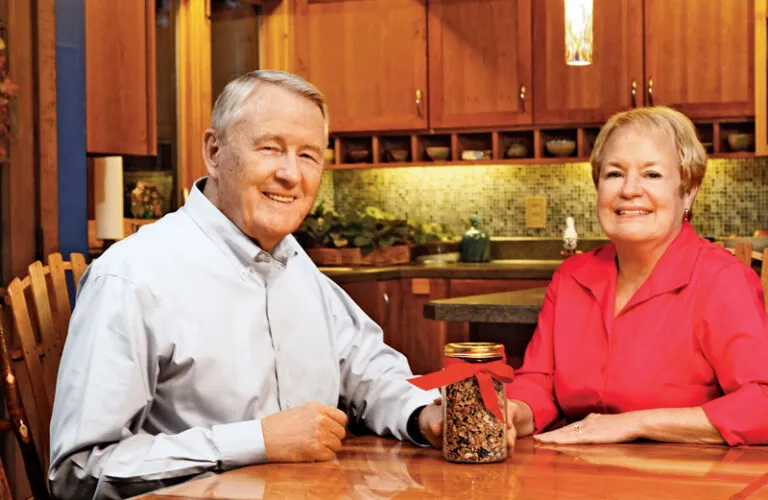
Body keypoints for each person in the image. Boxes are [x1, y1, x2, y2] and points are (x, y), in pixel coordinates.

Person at [48, 70, 442, 499]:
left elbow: (371, 374)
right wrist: (256, 441)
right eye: (270, 148)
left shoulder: (296, 266)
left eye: (308, 155)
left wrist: (425, 414)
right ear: (214, 152)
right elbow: (78, 471)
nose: (291, 174)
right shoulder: (132, 277)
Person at [504, 106, 768, 446]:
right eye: (614, 174)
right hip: (578, 477)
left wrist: (636, 424)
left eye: (652, 175)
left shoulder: (722, 279)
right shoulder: (571, 276)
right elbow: (540, 384)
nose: (629, 189)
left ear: (688, 191)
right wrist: (512, 411)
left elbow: (761, 403)